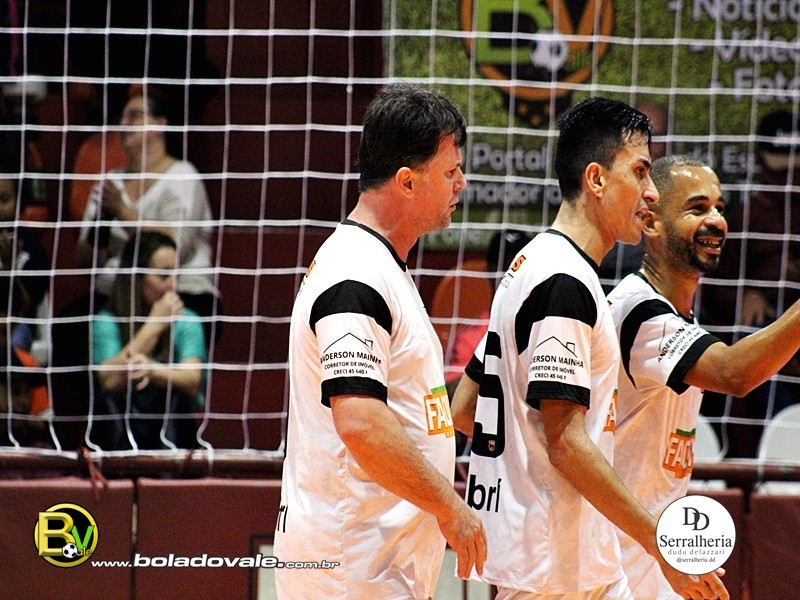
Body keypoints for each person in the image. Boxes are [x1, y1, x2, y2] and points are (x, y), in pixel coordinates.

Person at [452, 97, 728, 599]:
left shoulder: (531, 264)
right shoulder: (565, 282)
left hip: (568, 560)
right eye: (640, 172)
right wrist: (661, 545)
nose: (650, 192)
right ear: (596, 179)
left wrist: (523, 468)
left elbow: (466, 407)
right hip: (558, 569)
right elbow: (565, 441)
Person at [274, 83, 487, 599]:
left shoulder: (379, 267)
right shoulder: (355, 274)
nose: (461, 184)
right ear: (407, 182)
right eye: (450, 172)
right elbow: (361, 422)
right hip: (351, 566)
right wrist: (451, 507)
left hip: (373, 563)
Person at [608, 154, 800, 598]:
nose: (716, 220)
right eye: (697, 208)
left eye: (719, 207)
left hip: (648, 563)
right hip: (610, 568)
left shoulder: (676, 314)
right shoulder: (640, 311)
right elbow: (735, 374)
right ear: (650, 222)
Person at [74, 86, 220, 347]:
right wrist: (102, 224)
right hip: (116, 294)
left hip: (181, 291)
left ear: (161, 124)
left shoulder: (183, 176)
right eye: (121, 117)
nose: (124, 124)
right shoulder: (111, 181)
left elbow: (177, 247)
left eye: (134, 115)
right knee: (69, 330)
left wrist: (122, 211)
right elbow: (85, 260)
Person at [700, 109, 800, 457]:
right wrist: (745, 295)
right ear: (761, 159)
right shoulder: (747, 215)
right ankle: (781, 447)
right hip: (764, 323)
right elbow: (713, 284)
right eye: (779, 161)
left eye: (794, 159)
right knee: (757, 340)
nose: (788, 171)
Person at [89, 231, 206, 450]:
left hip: (168, 424)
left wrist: (151, 370)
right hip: (120, 424)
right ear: (136, 277)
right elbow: (108, 381)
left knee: (176, 400)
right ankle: (117, 469)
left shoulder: (187, 320)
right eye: (163, 276)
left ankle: (169, 470)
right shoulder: (106, 322)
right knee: (109, 402)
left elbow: (192, 380)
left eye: (176, 276)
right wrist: (155, 324)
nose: (173, 285)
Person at [598, 101, 668, 292]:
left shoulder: (675, 192)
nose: (647, 146)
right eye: (639, 137)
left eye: (655, 137)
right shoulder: (605, 185)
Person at [0, 171, 50, 357]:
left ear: (18, 204)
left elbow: (27, 306)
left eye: (4, 200)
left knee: (12, 344)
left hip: (18, 323)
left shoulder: (32, 249)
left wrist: (9, 266)